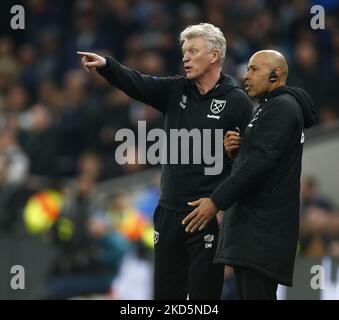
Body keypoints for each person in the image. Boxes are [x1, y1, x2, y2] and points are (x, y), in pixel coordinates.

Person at [77, 23, 253, 300]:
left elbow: (249, 163)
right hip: (168, 212)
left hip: (205, 214)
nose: (185, 57)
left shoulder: (237, 102)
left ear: (214, 55)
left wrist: (223, 206)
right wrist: (107, 66)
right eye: (184, 51)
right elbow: (138, 83)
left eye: (193, 51)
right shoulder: (176, 90)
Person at [182, 50, 316, 299]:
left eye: (254, 70)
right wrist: (239, 153)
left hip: (263, 231)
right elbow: (260, 161)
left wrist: (216, 201)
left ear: (276, 75)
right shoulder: (267, 108)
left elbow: (261, 162)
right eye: (247, 70)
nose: (246, 76)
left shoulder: (282, 107)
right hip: (253, 231)